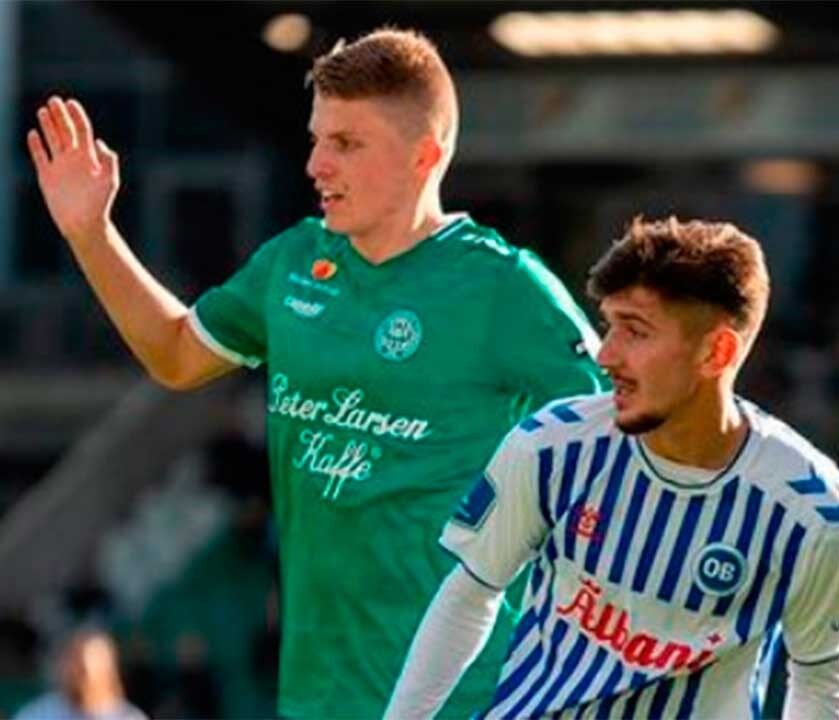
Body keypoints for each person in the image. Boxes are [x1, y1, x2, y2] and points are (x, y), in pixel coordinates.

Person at [26, 28, 606, 719]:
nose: (315, 165)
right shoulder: (293, 263)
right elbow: (176, 356)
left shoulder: (505, 288)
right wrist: (91, 234)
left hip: (467, 700)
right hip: (317, 698)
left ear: (424, 155)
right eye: (316, 139)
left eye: (346, 143)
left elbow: (620, 431)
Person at [385, 216, 839, 720]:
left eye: (635, 331)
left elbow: (818, 684)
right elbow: (470, 594)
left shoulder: (811, 509)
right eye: (609, 326)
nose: (606, 355)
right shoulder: (551, 444)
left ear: (716, 352)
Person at [14, 629, 145, 720]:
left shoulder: (128, 717)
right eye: (73, 664)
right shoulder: (39, 713)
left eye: (83, 670)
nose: (76, 675)